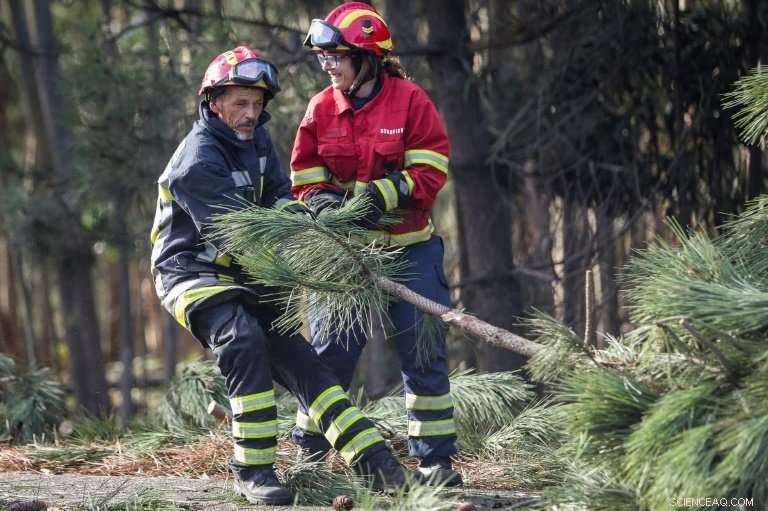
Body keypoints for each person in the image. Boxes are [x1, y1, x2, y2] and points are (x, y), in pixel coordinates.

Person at [149, 45, 407, 506]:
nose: (251, 114)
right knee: (243, 340)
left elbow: (282, 200)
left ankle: (375, 462)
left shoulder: (258, 142)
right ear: (214, 101)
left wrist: (317, 233)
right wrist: (308, 262)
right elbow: (238, 237)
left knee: (304, 361)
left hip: (252, 271)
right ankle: (252, 470)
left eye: (257, 103)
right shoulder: (197, 161)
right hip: (193, 271)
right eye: (240, 104)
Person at [290, 3, 462, 486]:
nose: (327, 65)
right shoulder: (321, 107)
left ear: (367, 57)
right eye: (322, 56)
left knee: (424, 354)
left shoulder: (410, 101)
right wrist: (323, 204)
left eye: (335, 55)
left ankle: (435, 463)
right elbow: (304, 174)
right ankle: (309, 458)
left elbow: (431, 168)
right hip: (345, 257)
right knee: (329, 357)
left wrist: (381, 196)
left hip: (411, 251)